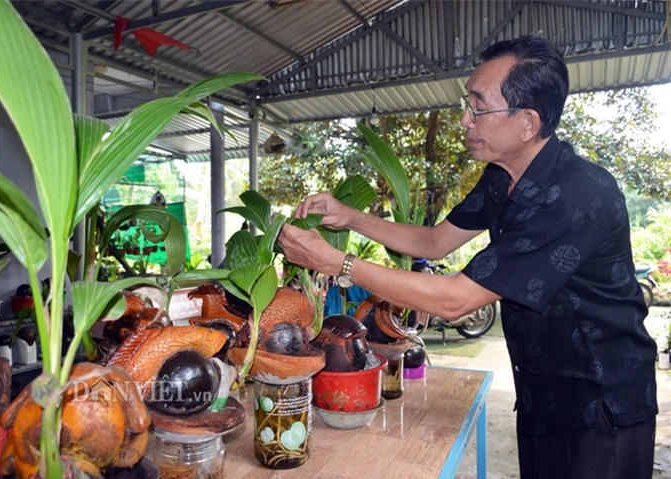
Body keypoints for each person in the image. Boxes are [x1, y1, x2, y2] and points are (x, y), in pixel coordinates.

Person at [278, 36, 658, 479]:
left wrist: (334, 263)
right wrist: (350, 218)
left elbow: (455, 299)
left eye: (478, 108)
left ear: (527, 122)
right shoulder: (502, 176)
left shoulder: (576, 196)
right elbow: (434, 242)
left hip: (602, 401)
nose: (465, 120)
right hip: (541, 391)